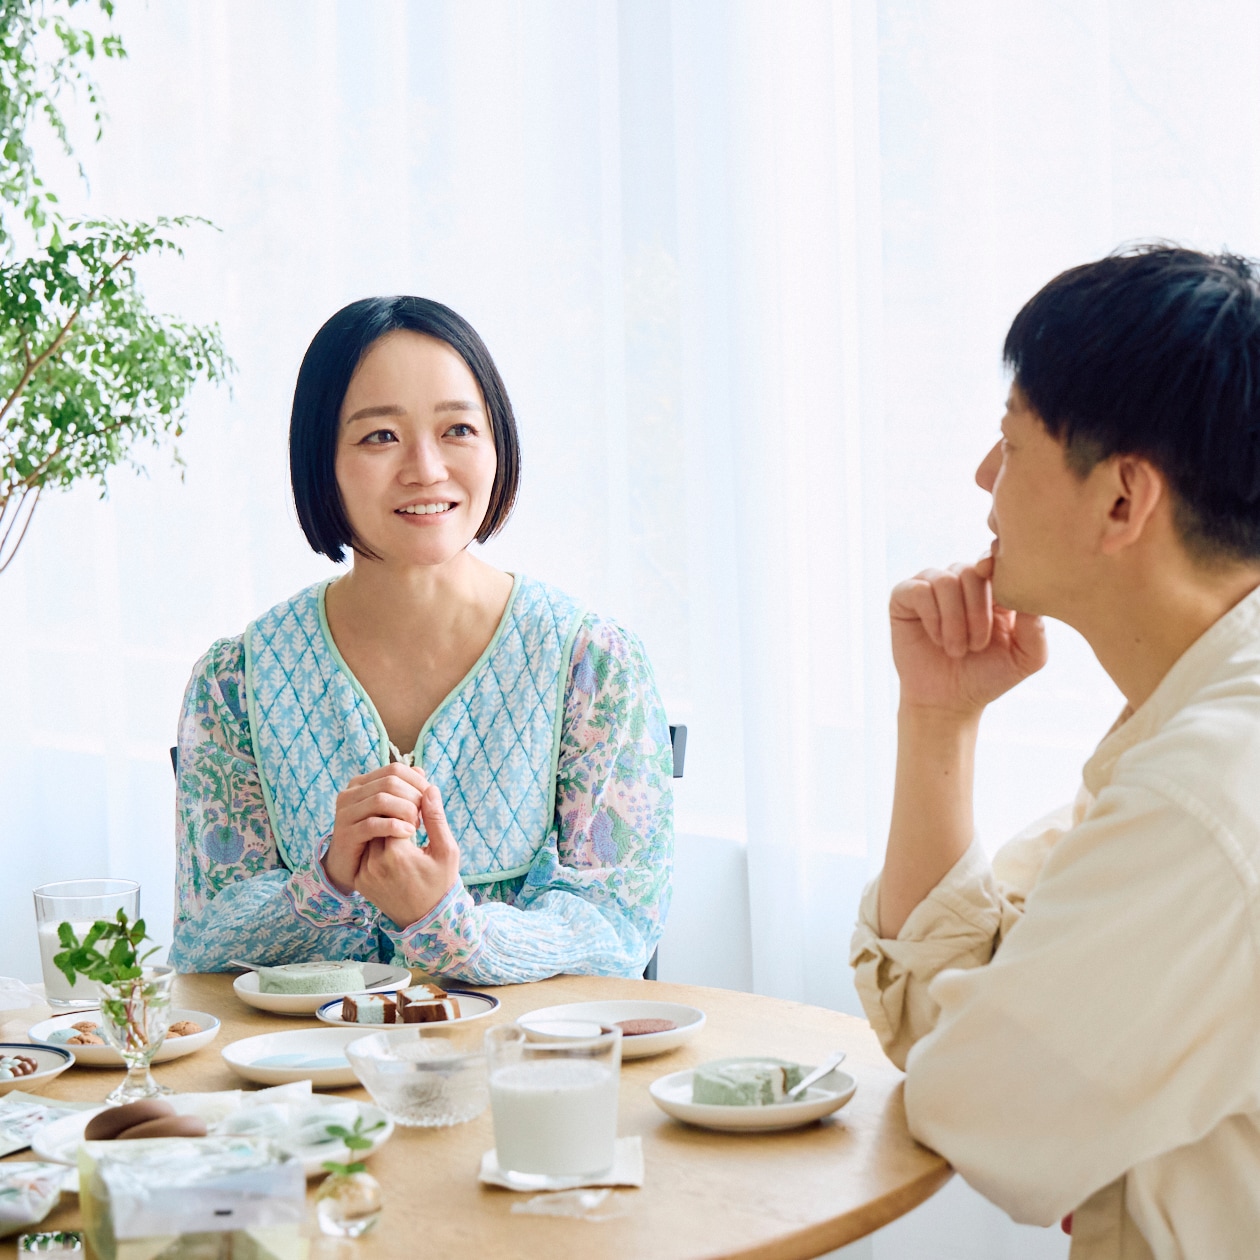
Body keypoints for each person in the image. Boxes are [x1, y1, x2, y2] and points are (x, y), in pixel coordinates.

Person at [849, 246, 1260, 1258]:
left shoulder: (1206, 792)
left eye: (1012, 444)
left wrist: (978, 1033)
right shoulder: (1191, 722)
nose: (984, 480)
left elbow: (979, 1105)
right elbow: (952, 1021)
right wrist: (938, 720)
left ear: (1123, 500)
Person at [170, 297, 674, 982]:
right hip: (299, 1082)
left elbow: (618, 927)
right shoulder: (236, 681)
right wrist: (322, 883)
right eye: (380, 437)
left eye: (458, 429)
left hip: (526, 1074)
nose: (427, 468)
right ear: (320, 458)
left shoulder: (592, 665)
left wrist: (444, 920)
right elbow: (204, 944)